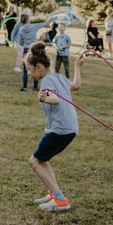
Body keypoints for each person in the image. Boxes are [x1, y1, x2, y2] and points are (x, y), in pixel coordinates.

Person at [25, 42, 87, 213]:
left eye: (29, 70)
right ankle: (53, 194)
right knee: (43, 159)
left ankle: (60, 200)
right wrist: (77, 66)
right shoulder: (58, 77)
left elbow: (55, 99)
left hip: (60, 129)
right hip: (69, 127)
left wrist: (44, 97)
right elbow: (76, 86)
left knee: (34, 161)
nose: (29, 74)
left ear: (38, 67)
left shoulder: (47, 81)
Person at [13, 13, 52, 91]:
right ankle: (35, 87)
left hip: (25, 50)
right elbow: (44, 23)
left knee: (25, 69)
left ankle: (24, 87)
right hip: (34, 49)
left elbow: (20, 43)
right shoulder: (33, 26)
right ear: (28, 20)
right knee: (35, 68)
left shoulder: (20, 29)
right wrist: (52, 19)